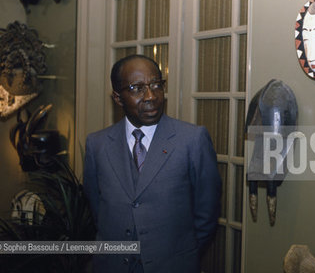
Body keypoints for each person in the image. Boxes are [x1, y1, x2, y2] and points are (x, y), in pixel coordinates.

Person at [83, 54, 222, 273]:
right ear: (118, 98)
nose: (151, 96)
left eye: (156, 85)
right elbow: (98, 209)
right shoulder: (97, 145)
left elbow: (206, 214)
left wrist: (177, 254)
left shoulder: (192, 140)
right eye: (137, 88)